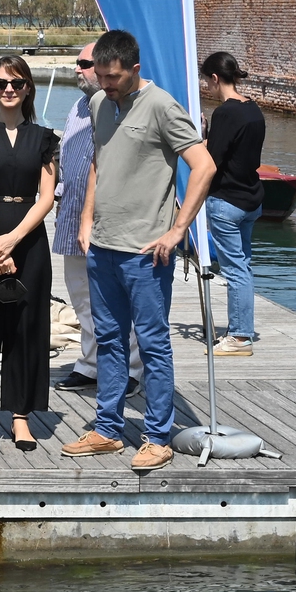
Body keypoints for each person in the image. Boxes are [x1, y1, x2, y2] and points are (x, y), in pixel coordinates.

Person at [64, 29, 216, 472]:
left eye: (113, 78)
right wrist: (87, 220)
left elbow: (204, 167)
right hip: (102, 248)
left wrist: (177, 230)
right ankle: (107, 431)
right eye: (100, 76)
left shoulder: (163, 107)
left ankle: (157, 437)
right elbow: (98, 161)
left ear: (134, 69)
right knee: (108, 340)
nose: (106, 85)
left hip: (146, 252)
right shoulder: (97, 103)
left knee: (152, 344)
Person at [0, 54, 59, 452]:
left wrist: (13, 240)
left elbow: (46, 198)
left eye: (17, 83)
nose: (9, 90)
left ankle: (20, 415)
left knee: (25, 329)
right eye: (2, 83)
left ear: (28, 89)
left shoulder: (45, 138)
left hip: (30, 242)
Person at [54, 41, 143, 394]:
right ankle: (91, 363)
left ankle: (132, 369)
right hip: (72, 216)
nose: (78, 69)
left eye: (85, 63)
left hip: (112, 222)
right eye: (78, 63)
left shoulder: (128, 108)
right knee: (81, 297)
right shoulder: (79, 107)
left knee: (120, 298)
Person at [199, 50, 266, 356]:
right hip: (252, 199)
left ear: (215, 78)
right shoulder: (253, 110)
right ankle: (242, 328)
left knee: (234, 269)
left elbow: (212, 160)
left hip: (227, 201)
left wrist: (200, 139)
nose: (207, 89)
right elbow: (237, 153)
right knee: (244, 265)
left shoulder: (225, 113)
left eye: (207, 82)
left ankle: (239, 337)